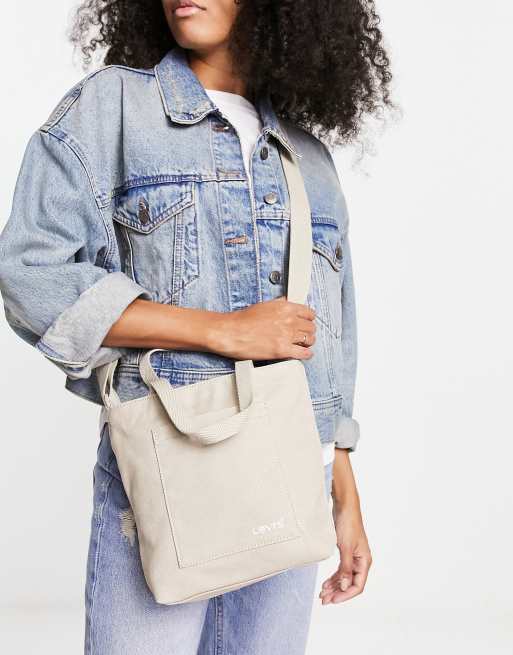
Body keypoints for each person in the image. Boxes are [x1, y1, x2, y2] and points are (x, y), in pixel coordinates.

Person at [0, 1, 393, 652]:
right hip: (167, 476)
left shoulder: (308, 158)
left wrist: (343, 492)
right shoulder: (113, 109)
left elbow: (332, 340)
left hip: (291, 485)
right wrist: (220, 330)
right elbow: (31, 272)